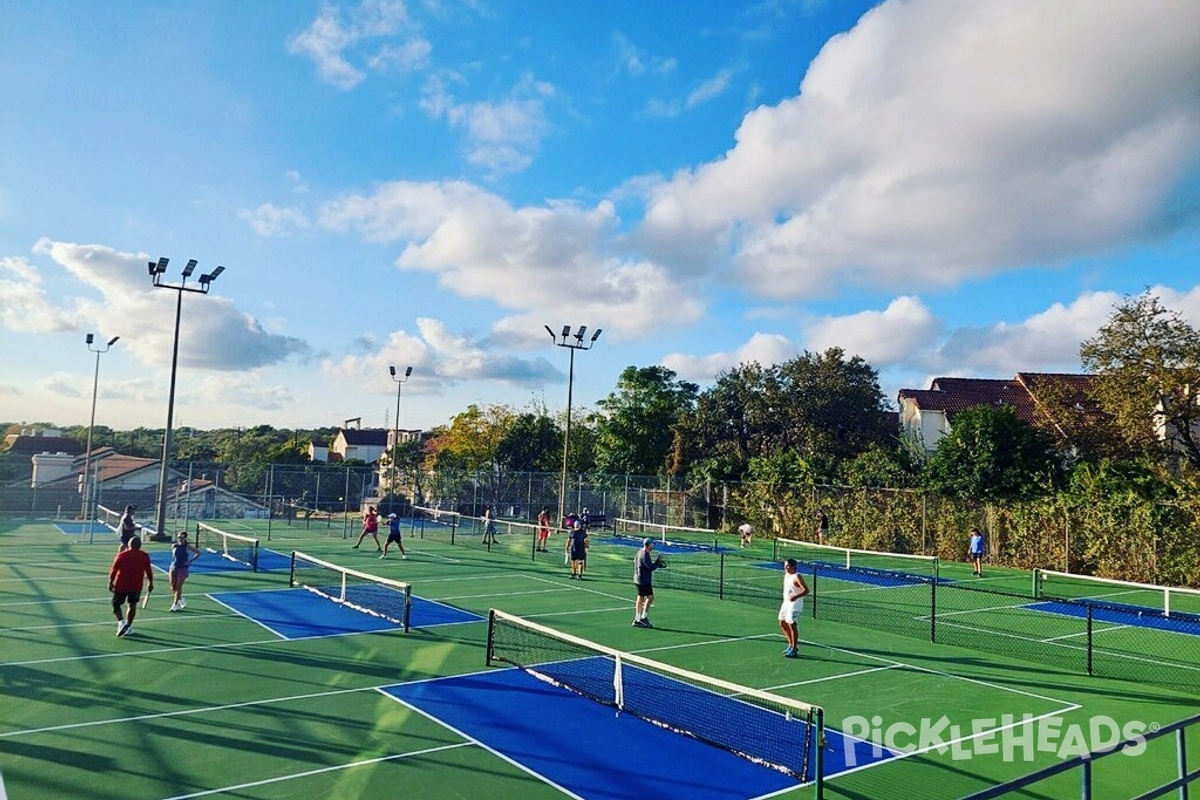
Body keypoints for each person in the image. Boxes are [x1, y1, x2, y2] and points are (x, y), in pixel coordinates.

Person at [109, 535, 153, 637]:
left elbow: (114, 570)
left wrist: (111, 582)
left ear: (129, 544)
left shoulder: (122, 555)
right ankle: (128, 626)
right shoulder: (144, 555)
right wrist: (150, 583)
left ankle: (121, 622)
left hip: (122, 584)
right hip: (136, 585)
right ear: (139, 545)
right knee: (132, 605)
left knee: (115, 605)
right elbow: (148, 571)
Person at [779, 558, 809, 658]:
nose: (785, 568)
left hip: (794, 605)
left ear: (793, 567)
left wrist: (795, 596)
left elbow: (806, 590)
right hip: (786, 603)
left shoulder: (797, 577)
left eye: (787, 566)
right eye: (785, 566)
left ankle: (794, 649)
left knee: (792, 625)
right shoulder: (787, 575)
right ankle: (791, 645)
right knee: (782, 623)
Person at [632, 538, 666, 627]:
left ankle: (640, 618)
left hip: (640, 579)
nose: (653, 545)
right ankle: (639, 619)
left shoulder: (641, 552)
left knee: (645, 597)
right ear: (648, 545)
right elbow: (651, 567)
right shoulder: (644, 554)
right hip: (643, 580)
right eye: (652, 544)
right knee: (647, 597)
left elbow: (636, 562)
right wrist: (658, 560)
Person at [168, 530, 200, 611]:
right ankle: (180, 599)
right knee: (173, 587)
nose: (180, 539)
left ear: (185, 538)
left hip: (183, 569)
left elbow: (198, 552)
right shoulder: (174, 546)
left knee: (178, 586)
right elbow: (174, 557)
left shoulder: (188, 546)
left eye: (182, 538)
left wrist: (190, 561)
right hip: (173, 567)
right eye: (179, 537)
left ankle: (175, 604)